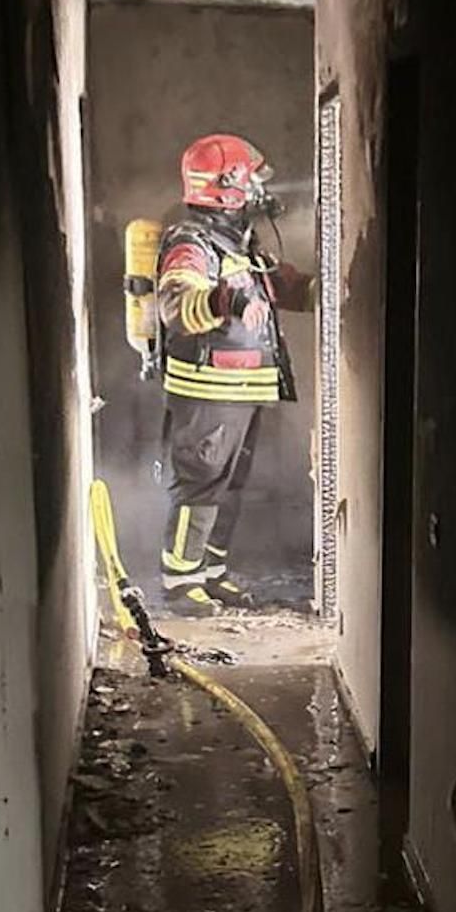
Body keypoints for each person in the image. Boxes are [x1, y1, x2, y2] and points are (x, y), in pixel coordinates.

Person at [154, 133, 309, 614]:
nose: (261, 188)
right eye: (253, 179)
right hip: (209, 391)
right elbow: (176, 303)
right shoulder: (190, 243)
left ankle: (211, 573)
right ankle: (181, 582)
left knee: (230, 485)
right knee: (201, 483)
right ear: (228, 185)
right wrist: (229, 300)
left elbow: (281, 286)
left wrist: (337, 290)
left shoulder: (237, 243)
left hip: (243, 389)